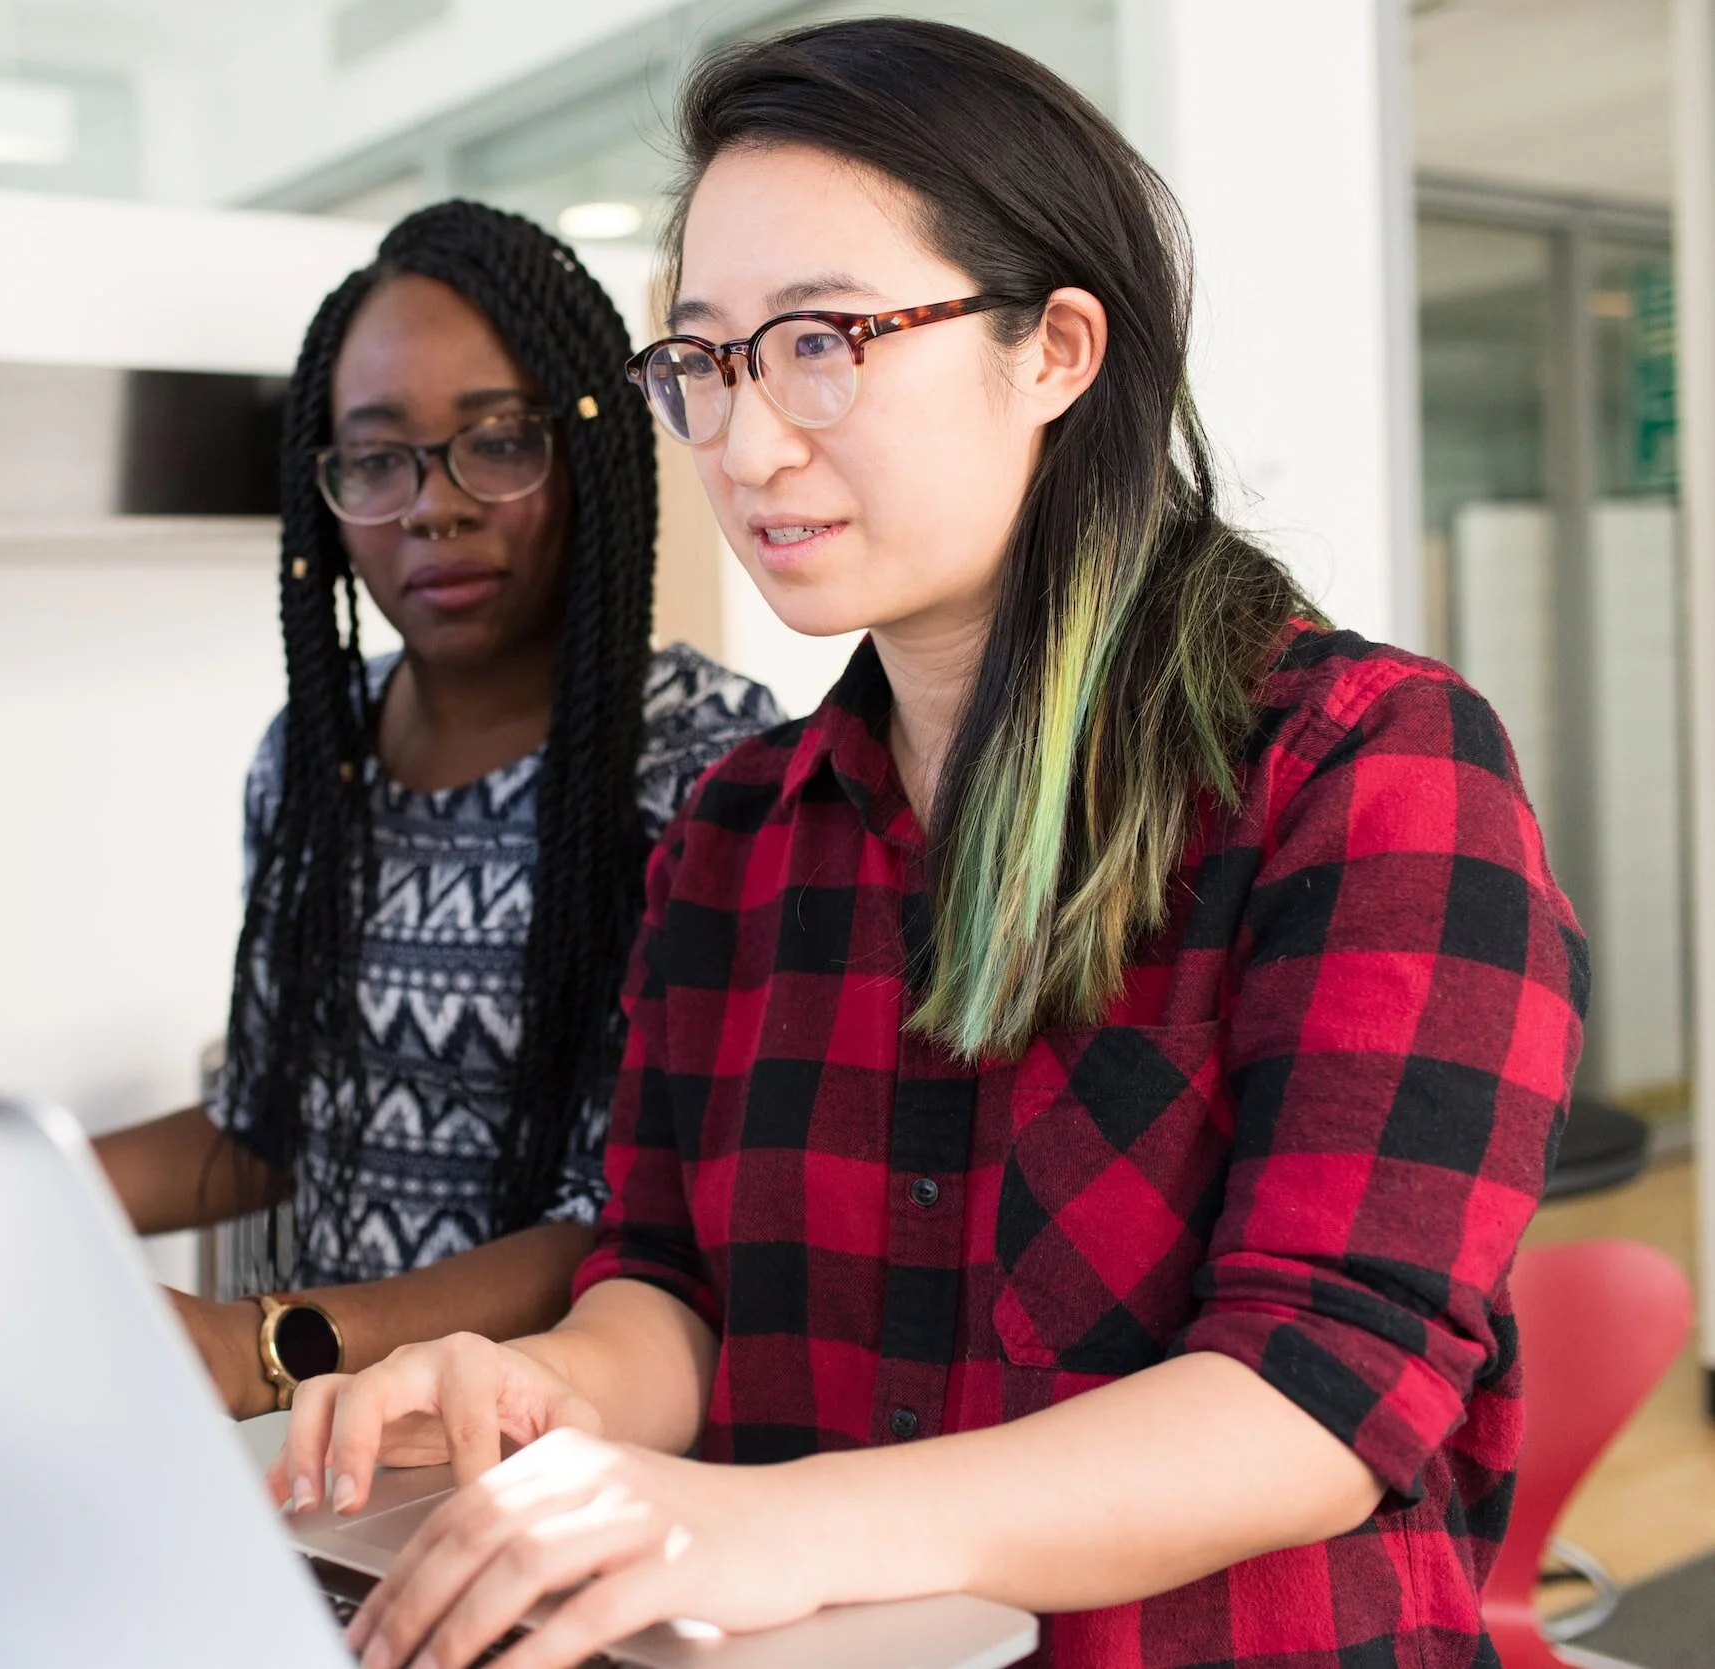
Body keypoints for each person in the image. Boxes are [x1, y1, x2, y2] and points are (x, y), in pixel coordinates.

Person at [268, 22, 1585, 1669]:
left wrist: (788, 1522)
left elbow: (1325, 1386)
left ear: (1057, 351)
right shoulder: (737, 833)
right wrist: (554, 1382)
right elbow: (669, 1281)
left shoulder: (1365, 768)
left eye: (823, 340)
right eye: (706, 362)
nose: (746, 445)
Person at [94, 202, 782, 1422]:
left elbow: (630, 1222)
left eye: (498, 442)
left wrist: (266, 1346)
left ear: (589, 453)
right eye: (377, 458)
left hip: (561, 1451)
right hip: (337, 1448)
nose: (434, 505)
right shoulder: (315, 758)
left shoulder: (704, 767)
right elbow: (266, 1119)